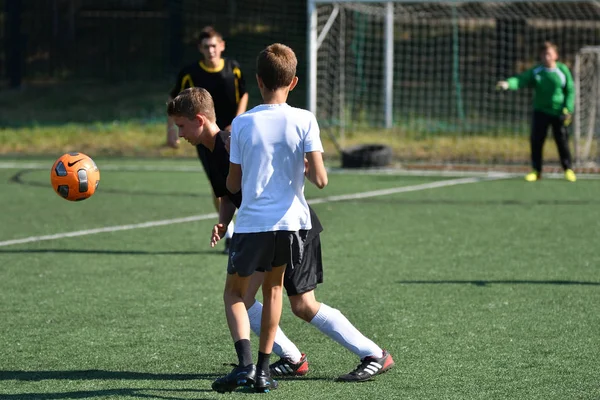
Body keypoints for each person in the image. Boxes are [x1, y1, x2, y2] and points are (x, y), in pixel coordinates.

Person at [167, 86, 395, 387]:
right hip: (264, 230)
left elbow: (267, 175)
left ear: (198, 119)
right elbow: (225, 192)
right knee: (246, 299)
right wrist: (223, 223)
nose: (179, 134)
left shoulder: (228, 142)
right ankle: (290, 357)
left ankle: (374, 353)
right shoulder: (209, 150)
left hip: (291, 228)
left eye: (181, 126)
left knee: (302, 304)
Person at [167, 26, 248, 252]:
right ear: (200, 49)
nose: (211, 50)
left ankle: (247, 229)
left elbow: (244, 94)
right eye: (206, 47)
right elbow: (174, 101)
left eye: (214, 45)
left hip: (229, 134)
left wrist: (238, 121)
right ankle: (230, 232)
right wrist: (172, 131)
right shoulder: (190, 73)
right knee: (219, 187)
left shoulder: (234, 69)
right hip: (203, 137)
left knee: (239, 182)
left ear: (222, 46)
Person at [496, 41, 576, 182]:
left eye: (549, 54)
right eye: (544, 54)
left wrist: (568, 109)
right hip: (540, 111)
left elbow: (570, 91)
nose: (547, 57)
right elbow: (521, 79)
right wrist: (508, 83)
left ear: (555, 55)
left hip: (559, 112)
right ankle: (536, 171)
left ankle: (568, 169)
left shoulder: (562, 71)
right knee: (537, 141)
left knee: (562, 141)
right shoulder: (537, 71)